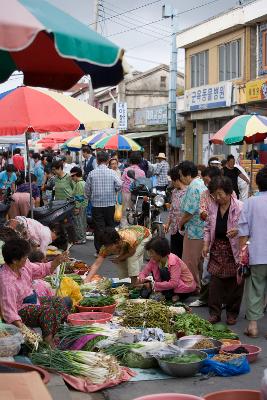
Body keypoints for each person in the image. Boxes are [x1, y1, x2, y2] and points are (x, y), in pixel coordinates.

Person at [0, 239, 70, 347]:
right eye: (25, 257)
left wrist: (57, 261)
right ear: (14, 260)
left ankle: (59, 333)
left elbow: (41, 269)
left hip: (32, 300)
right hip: (19, 309)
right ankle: (48, 344)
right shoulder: (6, 281)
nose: (27, 259)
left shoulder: (24, 265)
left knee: (58, 301)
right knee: (47, 311)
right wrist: (24, 329)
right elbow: (9, 312)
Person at [203, 176, 243, 325]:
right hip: (217, 248)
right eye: (215, 194)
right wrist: (205, 245)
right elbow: (207, 228)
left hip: (234, 249)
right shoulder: (212, 206)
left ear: (229, 192)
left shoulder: (239, 206)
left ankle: (232, 313)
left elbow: (248, 228)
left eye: (221, 194)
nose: (218, 197)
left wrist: (237, 230)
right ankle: (214, 313)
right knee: (215, 283)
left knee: (235, 283)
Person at [239, 166, 267, 338]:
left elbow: (243, 232)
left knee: (255, 290)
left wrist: (242, 254)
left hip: (257, 254)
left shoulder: (250, 202)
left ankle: (253, 326)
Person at [85, 226, 151, 285]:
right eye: (106, 245)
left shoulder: (128, 239)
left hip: (144, 235)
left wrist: (119, 258)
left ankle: (134, 283)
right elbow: (97, 263)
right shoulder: (106, 246)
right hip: (132, 234)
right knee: (122, 259)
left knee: (132, 258)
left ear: (116, 242)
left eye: (109, 246)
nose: (107, 248)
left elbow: (132, 253)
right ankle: (132, 280)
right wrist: (87, 279)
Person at [85, 151, 122, 254]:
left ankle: (100, 250)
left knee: (99, 228)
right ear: (107, 161)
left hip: (96, 205)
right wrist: (114, 190)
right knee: (110, 226)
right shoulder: (112, 172)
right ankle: (111, 248)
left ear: (97, 160)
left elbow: (87, 190)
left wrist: (89, 197)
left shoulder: (92, 173)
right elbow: (119, 185)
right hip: (110, 204)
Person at [138, 237, 196, 302]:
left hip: (183, 285)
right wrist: (141, 278)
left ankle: (176, 295)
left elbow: (174, 283)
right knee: (144, 293)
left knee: (164, 271)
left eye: (152, 252)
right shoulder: (154, 260)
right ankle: (166, 293)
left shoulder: (173, 261)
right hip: (165, 284)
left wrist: (152, 285)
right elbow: (144, 272)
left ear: (159, 252)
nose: (150, 255)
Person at [178, 161, 206, 292]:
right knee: (197, 261)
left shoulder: (194, 186)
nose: (181, 179)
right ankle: (199, 285)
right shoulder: (200, 183)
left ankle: (194, 287)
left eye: (181, 175)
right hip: (201, 229)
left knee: (189, 261)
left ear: (187, 174)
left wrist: (181, 223)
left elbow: (189, 212)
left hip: (195, 230)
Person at [5, 217, 73, 255]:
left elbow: (34, 244)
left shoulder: (44, 229)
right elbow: (42, 252)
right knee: (18, 247)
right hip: (23, 225)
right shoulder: (47, 236)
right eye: (56, 237)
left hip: (21, 220)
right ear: (54, 231)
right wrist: (43, 263)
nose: (54, 239)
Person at [164, 166, 187, 258]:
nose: (172, 184)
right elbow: (172, 210)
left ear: (177, 180)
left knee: (183, 254)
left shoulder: (188, 191)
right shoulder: (174, 192)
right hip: (174, 229)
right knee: (174, 254)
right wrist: (168, 224)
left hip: (184, 229)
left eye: (172, 181)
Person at [121, 151, 145, 227]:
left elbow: (122, 181)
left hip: (126, 193)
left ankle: (125, 232)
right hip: (138, 194)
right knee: (137, 213)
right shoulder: (142, 172)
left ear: (130, 160)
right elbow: (143, 183)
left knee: (125, 213)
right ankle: (135, 230)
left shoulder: (126, 170)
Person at [70, 166, 87, 245]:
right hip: (83, 205)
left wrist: (77, 207)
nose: (72, 177)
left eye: (72, 175)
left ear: (76, 175)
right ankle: (82, 237)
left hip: (79, 206)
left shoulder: (79, 183)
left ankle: (81, 238)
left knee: (79, 222)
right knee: (82, 222)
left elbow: (79, 197)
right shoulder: (82, 183)